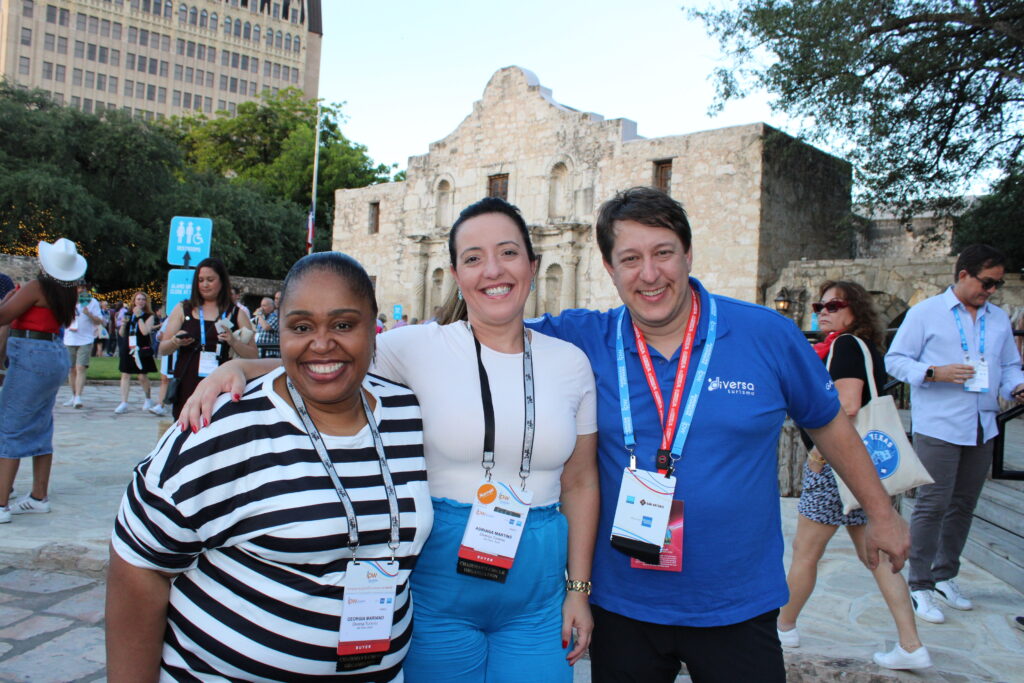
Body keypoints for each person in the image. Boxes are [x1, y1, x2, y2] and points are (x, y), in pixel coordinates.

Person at [182, 198, 600, 681]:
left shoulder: (569, 363)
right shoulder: (415, 348)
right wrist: (238, 368)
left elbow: (581, 482)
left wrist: (579, 589)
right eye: (472, 258)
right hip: (440, 583)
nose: (492, 271)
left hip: (537, 590)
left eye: (507, 253)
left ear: (531, 263)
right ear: (455, 275)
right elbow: (330, 361)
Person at [521, 187, 908, 681]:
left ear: (687, 254)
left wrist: (881, 512)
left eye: (663, 253)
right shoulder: (583, 338)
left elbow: (828, 423)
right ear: (609, 266)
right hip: (623, 603)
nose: (650, 273)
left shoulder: (765, 334)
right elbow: (492, 326)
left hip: (737, 603)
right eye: (631, 258)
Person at [106, 252, 432, 681]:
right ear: (279, 331)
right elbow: (138, 564)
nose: (321, 343)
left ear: (374, 328)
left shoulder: (407, 414)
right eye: (301, 327)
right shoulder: (221, 427)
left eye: (343, 324)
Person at [776, 281, 931, 670]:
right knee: (877, 555)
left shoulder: (845, 346)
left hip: (835, 466)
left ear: (854, 310)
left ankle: (784, 627)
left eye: (834, 305)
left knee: (805, 551)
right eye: (819, 305)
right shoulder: (864, 348)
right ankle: (911, 645)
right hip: (867, 468)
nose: (823, 311)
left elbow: (845, 405)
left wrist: (815, 450)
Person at [886, 244, 1024, 624]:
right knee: (933, 505)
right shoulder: (925, 313)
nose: (992, 291)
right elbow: (895, 360)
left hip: (984, 424)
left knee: (964, 505)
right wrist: (934, 372)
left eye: (997, 285)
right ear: (963, 274)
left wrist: (1017, 386)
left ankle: (946, 575)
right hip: (940, 424)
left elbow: (1010, 365)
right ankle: (919, 584)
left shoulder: (997, 319)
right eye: (987, 283)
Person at [0, 239, 84, 523]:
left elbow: (3, 316)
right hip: (52, 355)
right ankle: (39, 495)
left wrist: (9, 299)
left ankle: (1, 503)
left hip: (30, 355)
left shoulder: (37, 287)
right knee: (41, 424)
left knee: (9, 426)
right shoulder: (67, 291)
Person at [157, 257, 256, 420]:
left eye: (210, 280)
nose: (205, 284)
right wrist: (175, 341)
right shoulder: (184, 308)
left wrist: (233, 341)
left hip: (222, 384)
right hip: (188, 381)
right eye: (201, 280)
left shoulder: (237, 313)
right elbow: (163, 348)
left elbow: (253, 355)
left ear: (222, 281)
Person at [114, 291, 158, 415]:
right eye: (138, 299)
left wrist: (139, 317)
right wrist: (123, 324)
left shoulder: (149, 316)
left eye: (143, 299)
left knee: (142, 375)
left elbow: (145, 331)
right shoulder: (128, 314)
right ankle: (124, 402)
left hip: (141, 347)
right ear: (134, 301)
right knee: (125, 374)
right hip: (127, 346)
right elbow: (122, 333)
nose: (140, 301)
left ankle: (148, 398)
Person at [63, 283, 102, 408]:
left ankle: (78, 397)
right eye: (78, 288)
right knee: (71, 369)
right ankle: (74, 395)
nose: (80, 290)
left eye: (82, 288)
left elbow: (99, 320)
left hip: (85, 339)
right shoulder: (67, 300)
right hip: (69, 338)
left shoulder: (92, 302)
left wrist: (89, 314)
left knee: (81, 367)